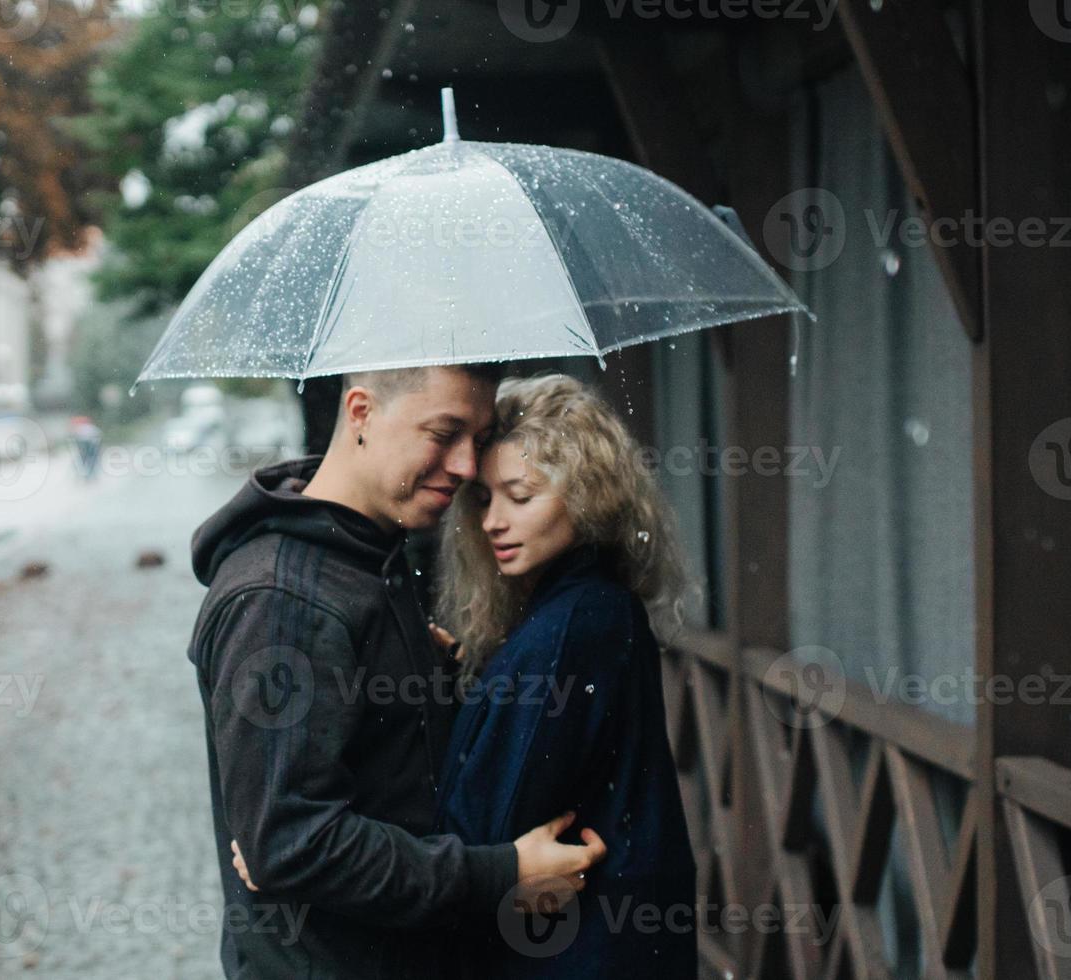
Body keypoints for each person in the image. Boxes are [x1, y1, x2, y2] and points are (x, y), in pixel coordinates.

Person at [188, 364, 607, 979]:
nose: (466, 465)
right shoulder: (285, 599)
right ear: (360, 412)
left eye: (478, 438)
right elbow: (292, 844)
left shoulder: (364, 560)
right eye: (444, 433)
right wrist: (504, 873)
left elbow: (385, 777)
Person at [428, 372, 698, 976]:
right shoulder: (587, 609)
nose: (494, 521)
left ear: (586, 494)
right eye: (484, 500)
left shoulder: (574, 626)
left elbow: (489, 823)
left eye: (521, 497)